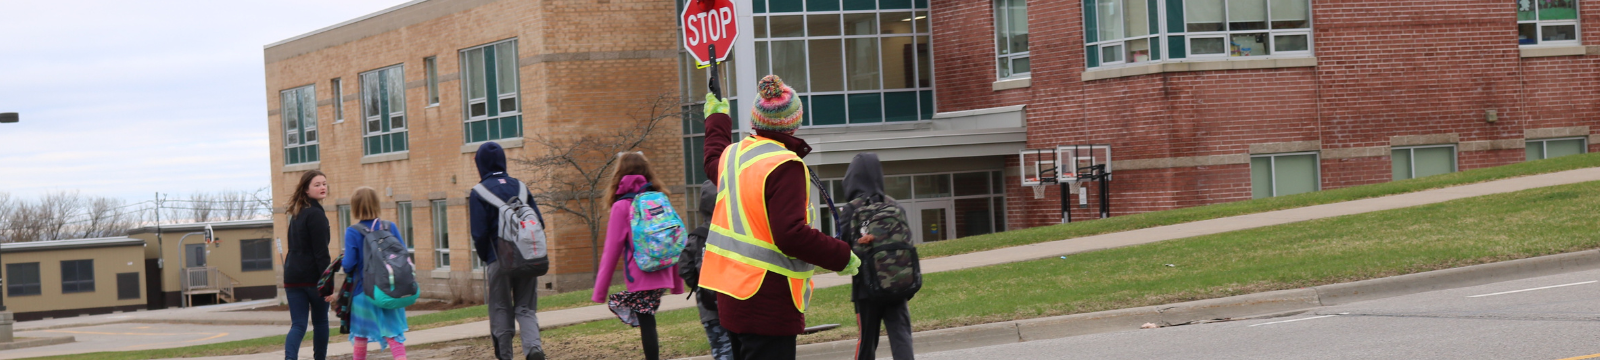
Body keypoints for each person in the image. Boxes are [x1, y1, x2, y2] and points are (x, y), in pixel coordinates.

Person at [698, 75, 861, 360]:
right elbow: (791, 235)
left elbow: (713, 157)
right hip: (767, 301)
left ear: (756, 121)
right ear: (794, 123)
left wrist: (717, 117)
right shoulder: (786, 165)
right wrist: (842, 255)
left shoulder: (734, 156)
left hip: (731, 296)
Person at [591, 152, 685, 360]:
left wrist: (599, 292)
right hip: (663, 271)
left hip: (641, 273)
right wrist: (677, 283)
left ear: (619, 174)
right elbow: (673, 238)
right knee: (646, 317)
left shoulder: (621, 206)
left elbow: (611, 251)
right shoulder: (659, 199)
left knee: (646, 322)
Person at [468, 141, 547, 360]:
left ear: (480, 165)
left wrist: (488, 258)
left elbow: (480, 233)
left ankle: (505, 355)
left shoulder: (478, 192)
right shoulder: (521, 187)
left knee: (501, 308)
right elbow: (539, 221)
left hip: (498, 259)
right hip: (528, 258)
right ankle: (534, 351)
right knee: (526, 309)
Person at [840, 153, 915, 360]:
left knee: (866, 341)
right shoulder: (895, 205)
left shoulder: (851, 209)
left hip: (866, 288)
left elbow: (844, 247)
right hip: (896, 284)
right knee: (901, 336)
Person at [338, 187, 409, 360]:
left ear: (354, 207)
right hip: (390, 291)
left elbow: (349, 265)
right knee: (394, 336)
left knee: (360, 337)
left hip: (363, 292)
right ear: (377, 204)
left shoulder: (353, 231)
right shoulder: (389, 226)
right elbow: (403, 253)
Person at [680, 180, 734, 360]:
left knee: (722, 350)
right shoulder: (737, 232)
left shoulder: (698, 236)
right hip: (738, 302)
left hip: (710, 306)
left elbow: (685, 268)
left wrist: (698, 286)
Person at [283, 170, 331, 360]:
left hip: (292, 276)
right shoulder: (316, 215)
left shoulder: (297, 213)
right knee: (320, 322)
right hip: (313, 278)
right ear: (306, 189)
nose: (322, 187)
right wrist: (327, 283)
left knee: (298, 325)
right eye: (317, 185)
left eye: (324, 184)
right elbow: (321, 253)